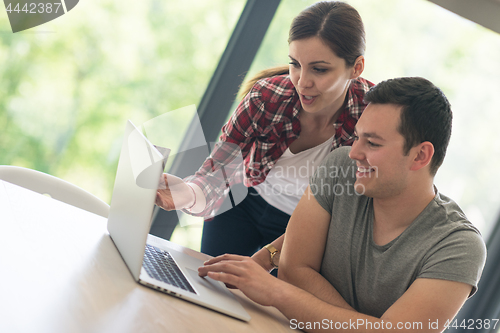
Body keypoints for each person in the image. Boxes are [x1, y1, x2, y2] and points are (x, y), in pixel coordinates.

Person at [198, 77, 487, 332]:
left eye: (372, 144)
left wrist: (277, 293)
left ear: (420, 156)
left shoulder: (458, 247)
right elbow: (292, 270)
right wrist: (366, 327)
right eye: (359, 137)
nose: (354, 152)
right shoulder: (340, 167)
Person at [155, 1, 374, 262]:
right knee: (207, 283)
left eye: (319, 69)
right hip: (244, 203)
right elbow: (216, 175)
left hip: (307, 227)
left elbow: (353, 214)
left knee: (266, 302)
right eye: (295, 64)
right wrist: (188, 194)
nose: (302, 82)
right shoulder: (266, 99)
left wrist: (268, 258)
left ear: (356, 68)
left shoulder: (372, 118)